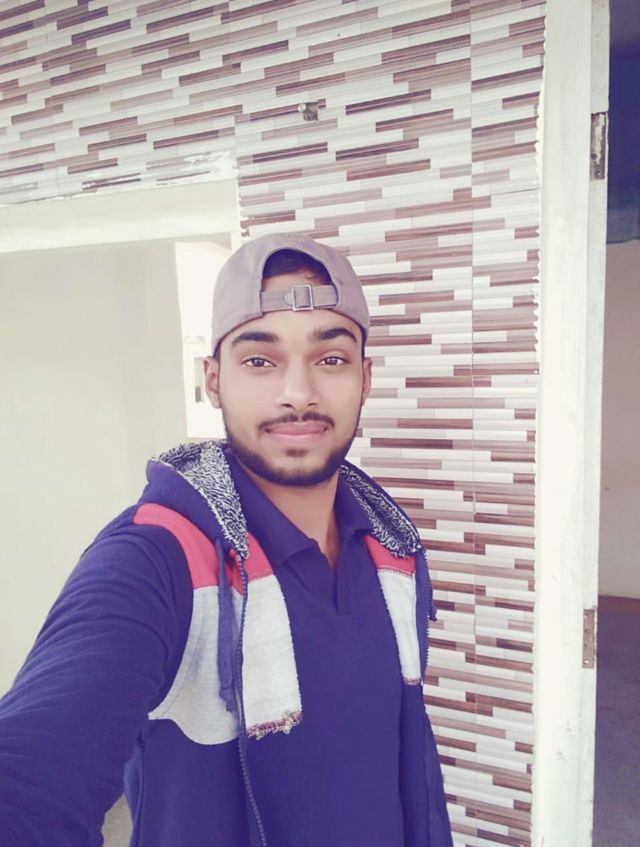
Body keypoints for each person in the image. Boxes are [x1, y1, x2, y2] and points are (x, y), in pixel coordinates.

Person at [0, 233, 453, 847]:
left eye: (331, 359)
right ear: (213, 380)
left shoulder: (391, 548)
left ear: (365, 379)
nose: (298, 392)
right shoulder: (157, 558)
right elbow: (33, 775)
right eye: (260, 361)